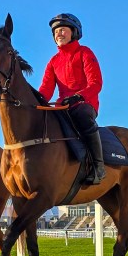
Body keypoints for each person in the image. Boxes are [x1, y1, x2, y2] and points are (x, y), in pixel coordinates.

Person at [38, 13, 106, 185]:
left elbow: (96, 83)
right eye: (55, 32)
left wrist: (78, 96)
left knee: (83, 115)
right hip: (63, 106)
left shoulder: (85, 52)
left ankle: (98, 167)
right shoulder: (53, 61)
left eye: (62, 30)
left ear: (74, 32)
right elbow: (46, 89)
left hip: (85, 103)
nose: (58, 34)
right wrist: (36, 101)